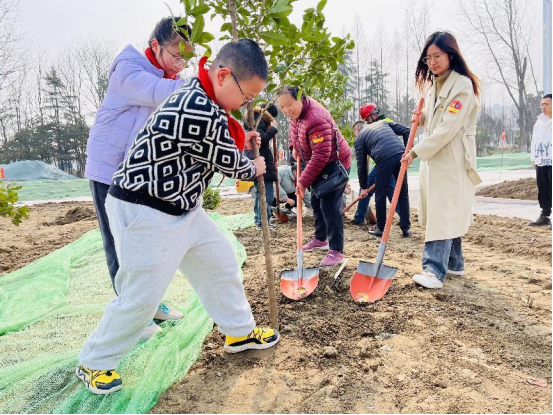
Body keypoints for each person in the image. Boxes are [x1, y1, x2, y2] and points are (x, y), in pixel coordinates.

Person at [76, 39, 280, 395]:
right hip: (144, 209)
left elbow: (217, 137)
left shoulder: (205, 96)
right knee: (142, 295)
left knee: (220, 261)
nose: (247, 104)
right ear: (223, 75)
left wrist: (241, 139)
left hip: (183, 208)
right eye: (246, 96)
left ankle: (238, 330)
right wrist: (255, 164)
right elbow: (235, 167)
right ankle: (94, 362)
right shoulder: (197, 106)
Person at [84, 17, 194, 340]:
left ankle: (152, 304)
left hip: (134, 172)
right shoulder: (128, 69)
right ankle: (131, 315)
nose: (181, 64)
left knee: (145, 237)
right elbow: (159, 92)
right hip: (107, 168)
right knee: (116, 242)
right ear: (155, 45)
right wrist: (205, 85)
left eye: (185, 58)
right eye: (176, 55)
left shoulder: (167, 74)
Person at [401, 31, 481, 289]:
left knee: (442, 214)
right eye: (428, 58)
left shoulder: (462, 86)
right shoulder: (436, 84)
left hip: (451, 159)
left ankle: (434, 271)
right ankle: (455, 264)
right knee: (447, 212)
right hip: (436, 159)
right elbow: (436, 118)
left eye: (437, 56)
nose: (432, 62)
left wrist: (415, 150)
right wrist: (422, 118)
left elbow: (447, 128)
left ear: (451, 55)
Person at [277, 86, 351, 268]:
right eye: (282, 107)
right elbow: (293, 133)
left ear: (300, 99)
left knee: (329, 207)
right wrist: (294, 147)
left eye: (289, 105)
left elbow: (321, 155)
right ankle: (320, 238)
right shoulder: (297, 116)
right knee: (317, 202)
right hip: (316, 164)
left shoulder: (315, 118)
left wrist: (302, 181)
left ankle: (336, 251)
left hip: (334, 165)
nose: (286, 110)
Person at [355, 108, 412, 238]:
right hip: (400, 154)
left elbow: (362, 166)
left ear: (358, 130)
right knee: (402, 193)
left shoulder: (359, 139)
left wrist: (364, 188)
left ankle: (381, 228)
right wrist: (408, 152)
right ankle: (406, 228)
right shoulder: (383, 123)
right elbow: (407, 130)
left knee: (380, 194)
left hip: (384, 158)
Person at [244, 104, 279, 230]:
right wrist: (273, 129)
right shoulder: (259, 118)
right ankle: (263, 222)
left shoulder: (252, 117)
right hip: (261, 160)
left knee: (260, 193)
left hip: (256, 159)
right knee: (267, 194)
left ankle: (259, 220)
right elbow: (261, 139)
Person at [529, 94, 552, 228]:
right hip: (541, 161)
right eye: (542, 104)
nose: (543, 107)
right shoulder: (539, 121)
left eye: (546, 104)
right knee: (543, 189)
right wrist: (533, 158)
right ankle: (545, 215)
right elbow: (534, 141)